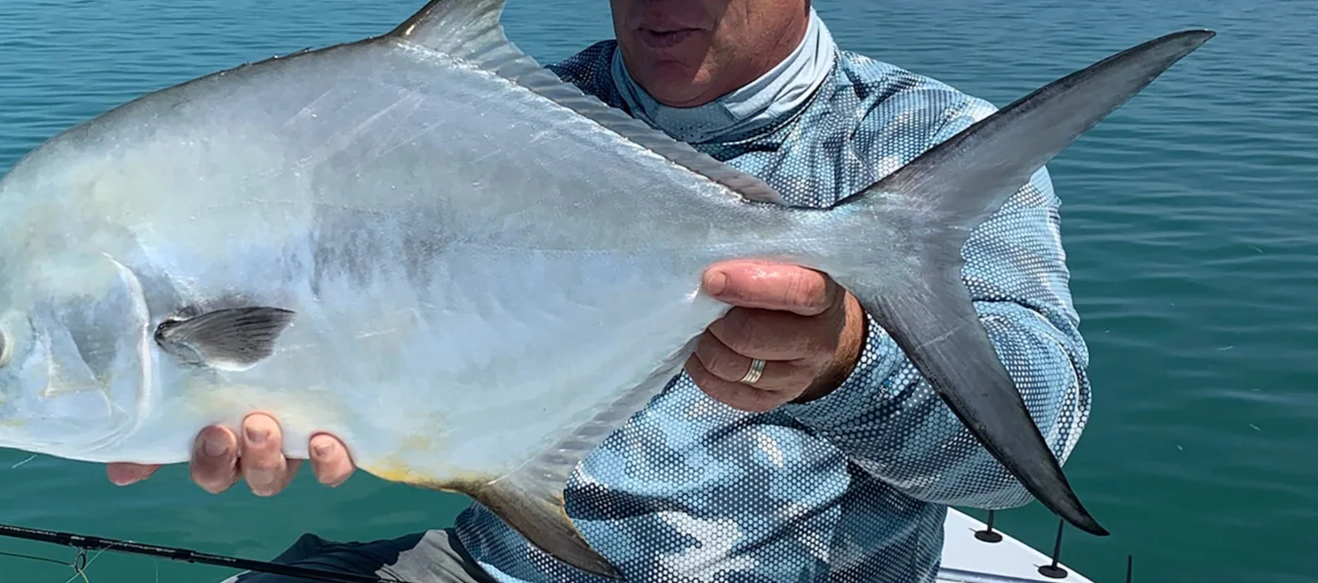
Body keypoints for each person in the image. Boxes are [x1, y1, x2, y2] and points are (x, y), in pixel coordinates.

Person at [106, 0, 1095, 581]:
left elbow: (1017, 455)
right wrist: (233, 392)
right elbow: (377, 337)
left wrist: (844, 363)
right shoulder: (483, 121)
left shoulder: (919, 142)